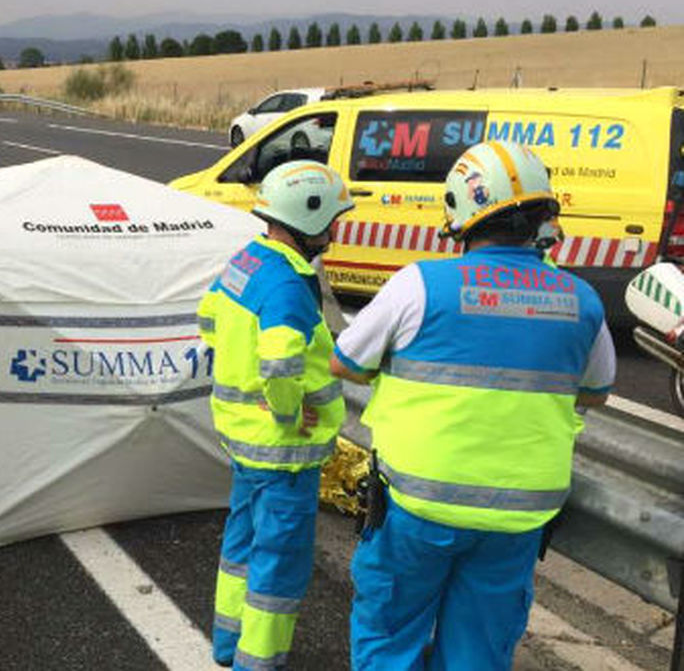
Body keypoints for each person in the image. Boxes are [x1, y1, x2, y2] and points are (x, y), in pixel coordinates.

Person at [331, 141, 616, 671]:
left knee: (390, 638)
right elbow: (597, 390)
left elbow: (345, 362)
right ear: (541, 216)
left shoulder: (420, 284)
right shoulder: (581, 299)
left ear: (460, 215)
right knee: (478, 653)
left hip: (419, 501)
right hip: (519, 514)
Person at [198, 160, 354, 670]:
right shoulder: (288, 285)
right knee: (278, 565)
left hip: (243, 439)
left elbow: (207, 322)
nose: (335, 230)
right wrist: (289, 413)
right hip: (282, 452)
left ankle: (228, 644)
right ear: (308, 217)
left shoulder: (245, 261)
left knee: (241, 545)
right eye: (332, 220)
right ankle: (258, 661)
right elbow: (281, 363)